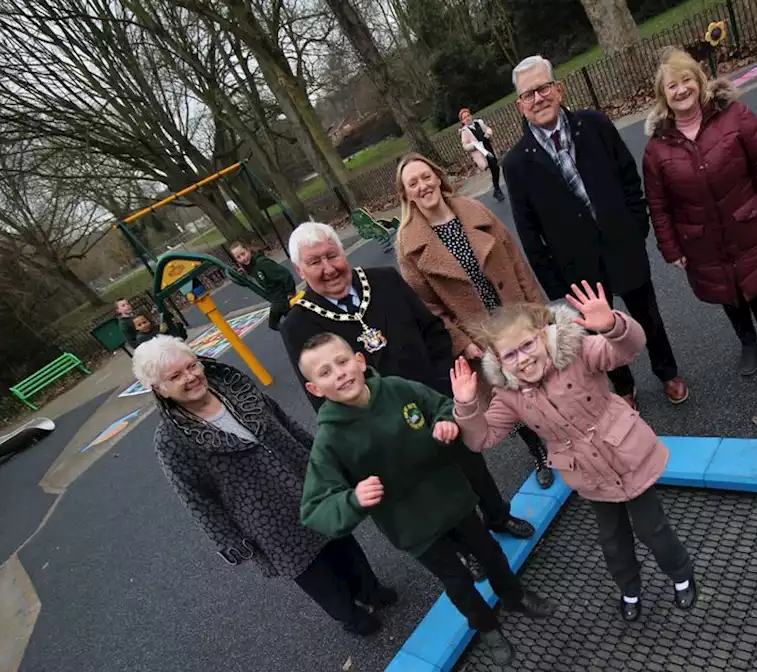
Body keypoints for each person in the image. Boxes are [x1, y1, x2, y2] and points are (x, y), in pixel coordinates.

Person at [278, 221, 536, 579]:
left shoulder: (384, 279)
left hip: (431, 402)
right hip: (382, 428)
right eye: (315, 262)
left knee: (470, 464)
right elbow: (320, 393)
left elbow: (432, 331)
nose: (328, 268)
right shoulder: (296, 324)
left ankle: (498, 514)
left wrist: (441, 390)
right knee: (423, 492)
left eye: (332, 255)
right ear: (299, 270)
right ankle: (463, 549)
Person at [298, 333, 557, 665]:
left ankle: (514, 596)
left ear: (360, 361)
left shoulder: (398, 388)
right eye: (324, 372)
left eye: (343, 361)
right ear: (315, 389)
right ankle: (487, 626)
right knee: (457, 580)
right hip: (412, 526)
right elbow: (314, 508)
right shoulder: (330, 439)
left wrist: (445, 423)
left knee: (490, 553)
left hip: (453, 499)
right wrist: (353, 499)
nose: (339, 373)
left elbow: (442, 407)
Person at [451, 281, 697, 623]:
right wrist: (465, 406)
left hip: (627, 456)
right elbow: (482, 439)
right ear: (499, 362)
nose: (523, 360)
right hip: (589, 474)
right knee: (612, 541)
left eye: (527, 345)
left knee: (652, 528)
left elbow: (627, 350)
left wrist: (612, 325)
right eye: (510, 355)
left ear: (542, 334)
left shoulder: (578, 352)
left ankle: (681, 575)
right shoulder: (510, 395)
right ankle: (630, 588)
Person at [134, 336, 394, 636]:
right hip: (264, 519)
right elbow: (196, 498)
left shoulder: (235, 388)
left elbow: (285, 423)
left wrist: (324, 460)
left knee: (342, 543)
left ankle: (370, 590)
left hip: (304, 481)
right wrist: (231, 541)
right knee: (313, 571)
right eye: (175, 376)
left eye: (192, 366)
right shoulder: (170, 440)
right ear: (158, 388)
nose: (191, 377)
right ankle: (350, 615)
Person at [501, 55, 688, 409]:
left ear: (558, 89)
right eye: (529, 94)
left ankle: (667, 371)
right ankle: (624, 387)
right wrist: (554, 285)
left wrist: (637, 227)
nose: (538, 98)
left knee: (647, 314)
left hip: (622, 244)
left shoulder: (595, 125)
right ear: (520, 105)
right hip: (576, 267)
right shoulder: (516, 164)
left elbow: (628, 178)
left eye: (543, 88)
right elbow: (529, 231)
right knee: (600, 330)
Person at [394, 153, 555, 490]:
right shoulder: (410, 247)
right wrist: (462, 341)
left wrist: (538, 309)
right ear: (406, 194)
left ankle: (566, 429)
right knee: (509, 391)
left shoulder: (473, 210)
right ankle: (538, 448)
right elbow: (428, 307)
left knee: (544, 371)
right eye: (413, 183)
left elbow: (514, 259)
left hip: (515, 312)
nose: (423, 186)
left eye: (426, 177)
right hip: (479, 333)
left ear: (437, 177)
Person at [643, 48, 757, 375]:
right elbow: (659, 205)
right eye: (672, 86)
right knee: (726, 289)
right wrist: (670, 247)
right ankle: (747, 343)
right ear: (662, 96)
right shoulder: (657, 148)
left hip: (746, 219)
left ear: (700, 81)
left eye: (686, 80)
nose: (681, 90)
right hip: (700, 238)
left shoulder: (736, 116)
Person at [230, 241, 297, 331]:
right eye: (238, 257)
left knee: (273, 323)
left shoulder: (262, 263)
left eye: (243, 254)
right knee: (292, 319)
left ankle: (289, 331)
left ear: (248, 250)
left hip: (280, 297)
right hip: (274, 297)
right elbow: (251, 271)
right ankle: (294, 330)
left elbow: (285, 274)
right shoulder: (250, 266)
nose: (243, 258)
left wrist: (291, 292)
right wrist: (243, 272)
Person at [458, 108, 504, 202]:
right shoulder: (464, 131)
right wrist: (474, 145)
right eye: (464, 118)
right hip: (481, 152)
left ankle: (496, 189)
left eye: (468, 116)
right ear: (462, 121)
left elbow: (488, 129)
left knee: (496, 168)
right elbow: (465, 146)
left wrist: (488, 133)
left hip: (488, 147)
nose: (467, 118)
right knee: (494, 167)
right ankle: (497, 189)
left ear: (471, 116)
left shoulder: (479, 123)